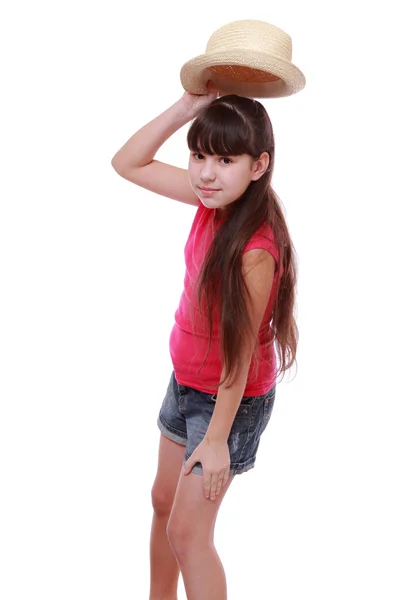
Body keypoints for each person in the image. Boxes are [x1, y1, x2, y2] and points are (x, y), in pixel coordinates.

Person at [111, 83, 298, 600]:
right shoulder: (209, 199)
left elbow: (238, 357)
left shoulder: (255, 249)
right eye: (198, 156)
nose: (206, 172)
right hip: (186, 381)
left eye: (225, 158)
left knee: (188, 535)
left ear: (258, 165)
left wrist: (216, 441)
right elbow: (127, 163)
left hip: (229, 402)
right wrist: (186, 108)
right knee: (163, 502)